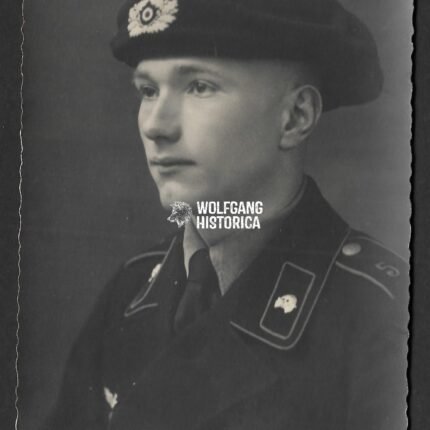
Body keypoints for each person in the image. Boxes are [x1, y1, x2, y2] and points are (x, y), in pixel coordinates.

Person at [45, 0, 409, 429]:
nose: (156, 126)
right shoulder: (129, 293)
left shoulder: (382, 317)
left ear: (296, 117)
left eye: (199, 87)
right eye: (148, 91)